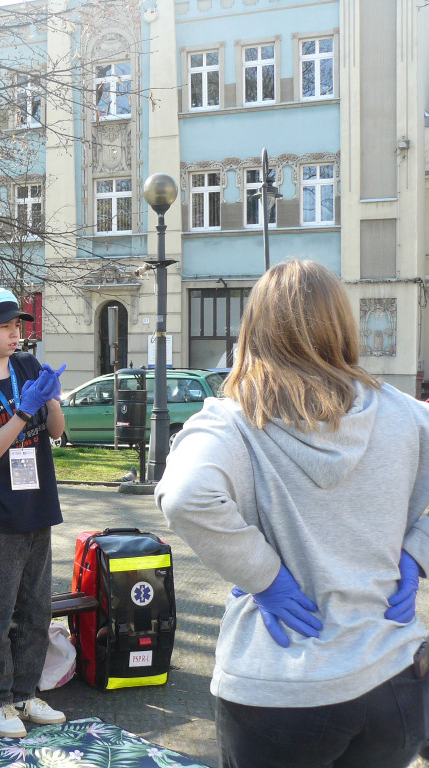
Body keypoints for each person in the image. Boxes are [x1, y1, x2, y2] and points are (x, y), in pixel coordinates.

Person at [155, 260, 429, 768]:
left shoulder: (234, 419)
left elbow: (187, 495)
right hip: (394, 677)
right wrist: (418, 549)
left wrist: (263, 575)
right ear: (341, 326)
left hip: (280, 687)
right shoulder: (406, 413)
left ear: (254, 327)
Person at [0, 287, 68, 739]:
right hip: (0, 513)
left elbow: (57, 432)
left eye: (18, 325)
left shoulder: (27, 365)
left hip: (38, 506)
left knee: (38, 611)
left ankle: (26, 693)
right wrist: (23, 411)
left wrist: (53, 398)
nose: (14, 334)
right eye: (4, 326)